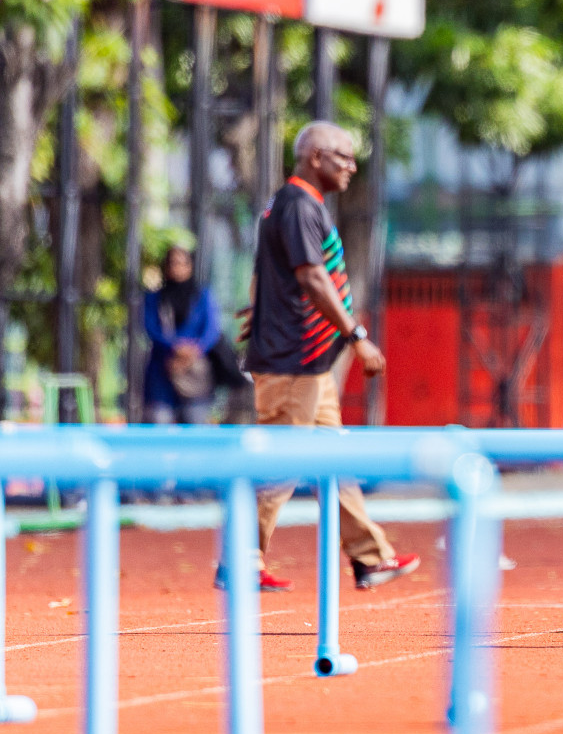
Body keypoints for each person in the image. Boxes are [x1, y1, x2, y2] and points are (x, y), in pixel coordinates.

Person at [233, 121, 418, 593]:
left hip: (305, 362)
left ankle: (369, 557)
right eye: (344, 156)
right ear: (316, 156)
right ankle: (240, 558)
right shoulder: (296, 204)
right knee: (282, 463)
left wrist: (259, 309)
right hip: (291, 360)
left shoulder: (296, 205)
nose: (352, 166)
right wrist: (356, 335)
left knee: (334, 456)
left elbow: (264, 272)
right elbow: (312, 278)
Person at [143, 245, 221, 425]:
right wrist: (175, 348)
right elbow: (151, 328)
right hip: (163, 369)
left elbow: (212, 329)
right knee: (159, 421)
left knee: (195, 424)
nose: (176, 268)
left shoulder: (202, 296)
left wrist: (193, 350)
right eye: (172, 263)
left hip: (194, 373)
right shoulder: (155, 298)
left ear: (190, 266)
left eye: (181, 263)